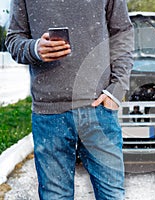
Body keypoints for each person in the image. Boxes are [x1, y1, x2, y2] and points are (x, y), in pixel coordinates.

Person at [5, 0, 134, 199]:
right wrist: (35, 48)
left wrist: (116, 90)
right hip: (49, 113)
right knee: (55, 195)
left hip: (98, 108)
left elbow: (122, 33)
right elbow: (14, 39)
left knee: (112, 195)